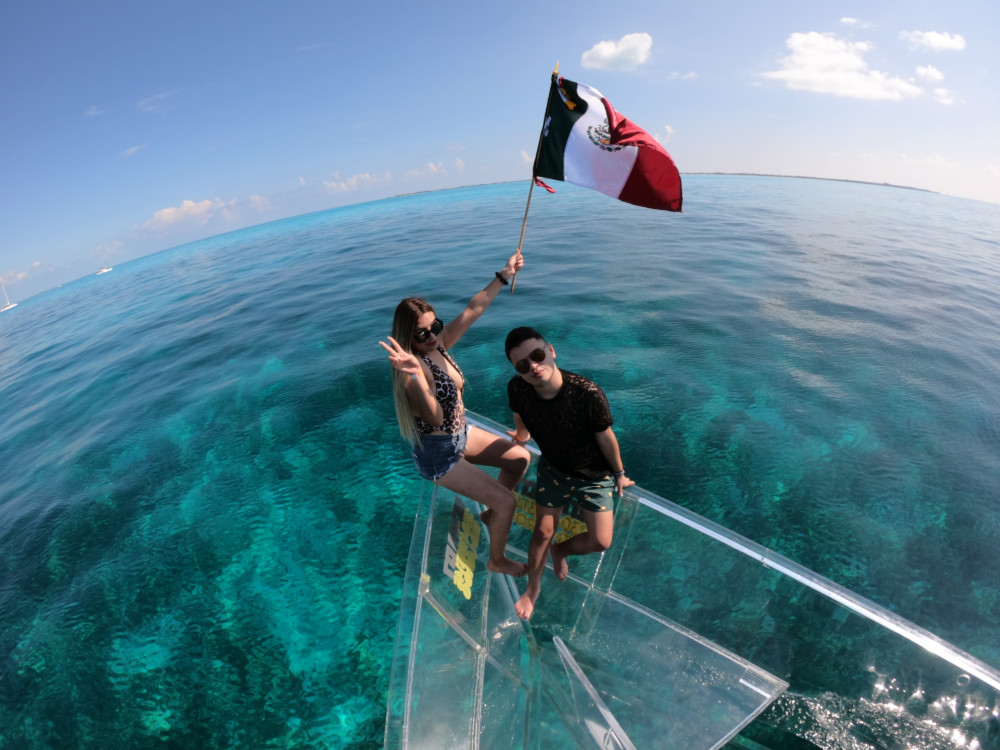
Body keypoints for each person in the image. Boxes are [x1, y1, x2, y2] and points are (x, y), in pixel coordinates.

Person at [379, 252, 530, 578]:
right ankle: (497, 559)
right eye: (422, 333)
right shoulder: (414, 370)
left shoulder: (440, 344)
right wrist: (415, 379)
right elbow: (433, 418)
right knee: (509, 503)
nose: (432, 334)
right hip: (439, 455)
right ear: (409, 338)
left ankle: (490, 515)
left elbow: (473, 309)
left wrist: (504, 274)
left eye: (435, 325)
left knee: (520, 459)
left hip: (461, 434)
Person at [504, 326, 634, 619]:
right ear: (517, 370)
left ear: (551, 350)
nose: (533, 367)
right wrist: (522, 435)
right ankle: (533, 589)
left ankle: (560, 551)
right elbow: (520, 413)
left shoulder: (587, 393)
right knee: (542, 531)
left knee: (601, 541)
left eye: (537, 355)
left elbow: (606, 437)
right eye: (523, 365)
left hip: (595, 477)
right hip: (553, 470)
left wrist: (620, 473)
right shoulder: (517, 388)